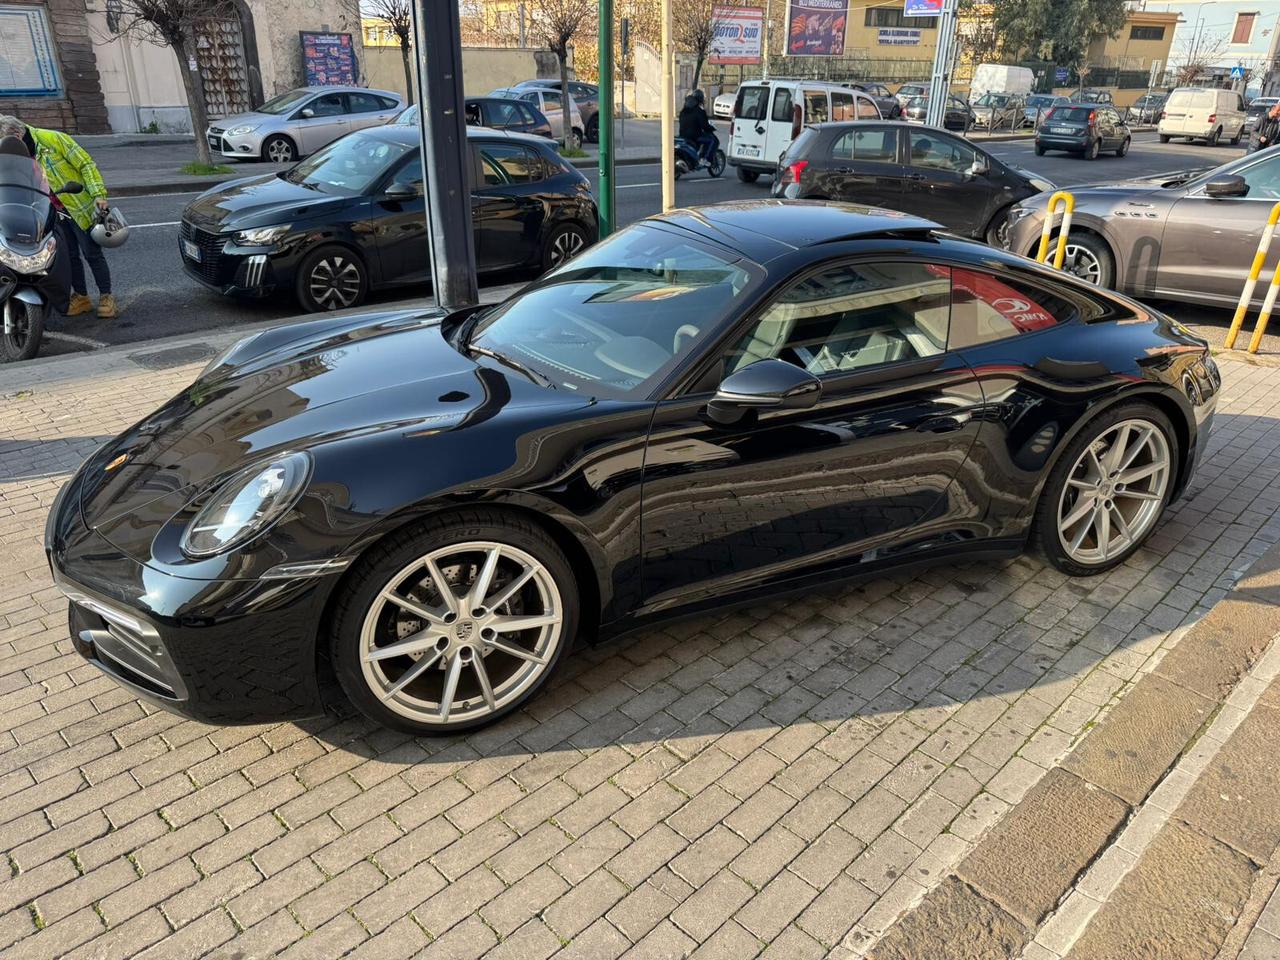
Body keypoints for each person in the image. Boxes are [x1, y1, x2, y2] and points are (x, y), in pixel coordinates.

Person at [0, 115, 116, 319]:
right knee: (68, 256)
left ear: (17, 134)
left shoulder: (53, 139)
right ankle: (81, 296)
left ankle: (106, 296)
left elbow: (86, 164)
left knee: (92, 253)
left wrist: (99, 194)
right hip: (49, 210)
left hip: (78, 206)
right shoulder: (16, 153)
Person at [678, 91, 716, 162]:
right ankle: (705, 159)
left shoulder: (683, 110)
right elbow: (704, 126)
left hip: (682, 135)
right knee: (712, 140)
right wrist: (712, 128)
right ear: (700, 99)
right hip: (695, 136)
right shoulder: (700, 111)